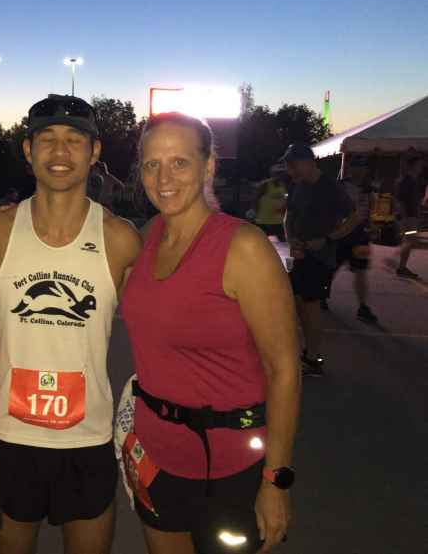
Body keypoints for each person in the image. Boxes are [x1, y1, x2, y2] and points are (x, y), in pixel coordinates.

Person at [120, 112, 300, 554]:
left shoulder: (243, 247)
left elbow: (284, 370)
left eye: (179, 162)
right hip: (154, 456)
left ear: (209, 166)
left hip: (229, 466)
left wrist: (276, 481)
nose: (163, 177)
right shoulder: (147, 238)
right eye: (151, 164)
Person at [0, 94, 141, 554]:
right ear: (28, 152)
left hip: (88, 437)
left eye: (74, 140)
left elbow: (159, 326)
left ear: (95, 152)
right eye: (47, 140)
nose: (60, 152)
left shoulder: (120, 238)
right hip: (10, 435)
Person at [282, 144, 357, 377]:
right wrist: (291, 239)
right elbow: (289, 215)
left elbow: (353, 218)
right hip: (300, 254)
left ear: (308, 162)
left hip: (320, 257)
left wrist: (326, 239)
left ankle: (314, 359)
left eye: (293, 165)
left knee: (311, 306)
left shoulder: (330, 188)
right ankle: (307, 353)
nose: (290, 171)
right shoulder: (298, 186)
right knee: (298, 303)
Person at [328, 156, 378, 322]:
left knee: (361, 270)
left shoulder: (368, 189)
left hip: (360, 235)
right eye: (356, 167)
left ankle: (362, 307)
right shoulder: (340, 186)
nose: (359, 171)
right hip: (341, 233)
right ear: (350, 169)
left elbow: (371, 210)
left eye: (362, 167)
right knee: (331, 268)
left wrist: (372, 226)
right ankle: (321, 296)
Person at [394, 156, 425, 279]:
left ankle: (401, 264)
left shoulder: (412, 180)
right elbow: (400, 200)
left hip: (411, 216)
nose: (421, 168)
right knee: (410, 240)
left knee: (410, 241)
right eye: (419, 165)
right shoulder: (407, 181)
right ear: (413, 166)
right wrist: (404, 216)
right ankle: (401, 266)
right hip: (409, 217)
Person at [253, 170, 288, 241]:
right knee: (260, 240)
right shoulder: (265, 184)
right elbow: (256, 198)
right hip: (264, 219)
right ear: (273, 175)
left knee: (283, 241)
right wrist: (255, 211)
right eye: (278, 174)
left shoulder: (283, 185)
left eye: (282, 174)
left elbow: (285, 198)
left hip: (277, 219)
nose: (280, 176)